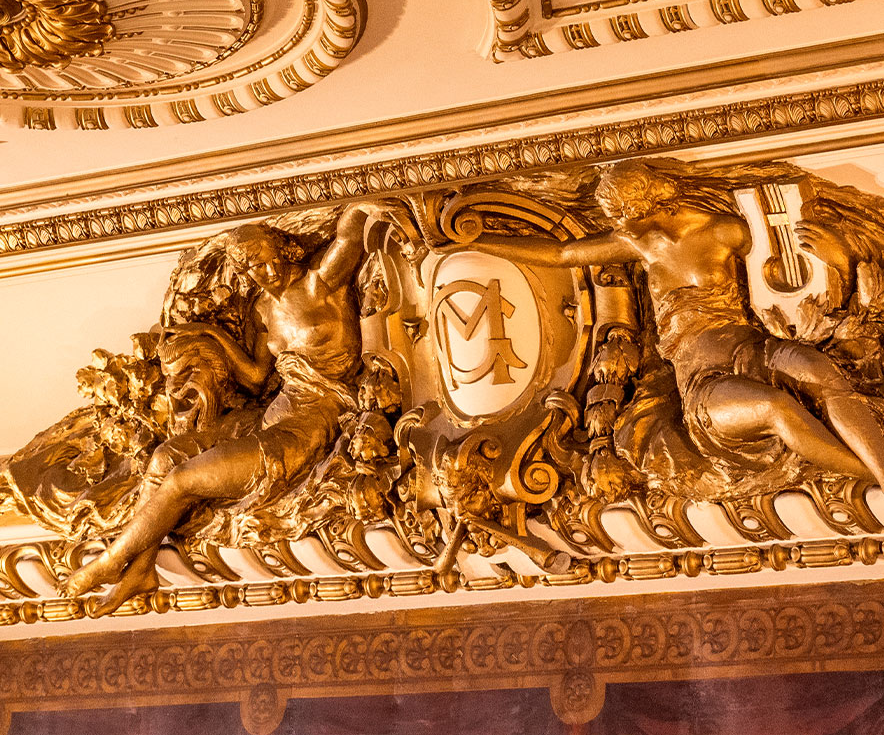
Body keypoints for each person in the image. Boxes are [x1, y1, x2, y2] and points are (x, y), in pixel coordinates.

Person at [470, 161, 884, 488]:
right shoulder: (641, 244)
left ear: (650, 204)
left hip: (755, 350)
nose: (620, 227)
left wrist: (838, 257)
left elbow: (793, 271)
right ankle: (873, 475)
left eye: (622, 215)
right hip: (704, 382)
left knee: (819, 371)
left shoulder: (727, 231)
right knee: (775, 407)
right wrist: (474, 241)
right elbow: (561, 255)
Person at [64, 203, 371, 614]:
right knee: (164, 458)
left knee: (182, 481)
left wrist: (375, 197)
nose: (261, 275)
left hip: (311, 420)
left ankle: (109, 561)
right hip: (275, 411)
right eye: (250, 271)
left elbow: (350, 234)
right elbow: (258, 378)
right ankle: (141, 567)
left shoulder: (320, 284)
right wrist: (210, 333)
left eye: (263, 263)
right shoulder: (264, 308)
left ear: (281, 251)